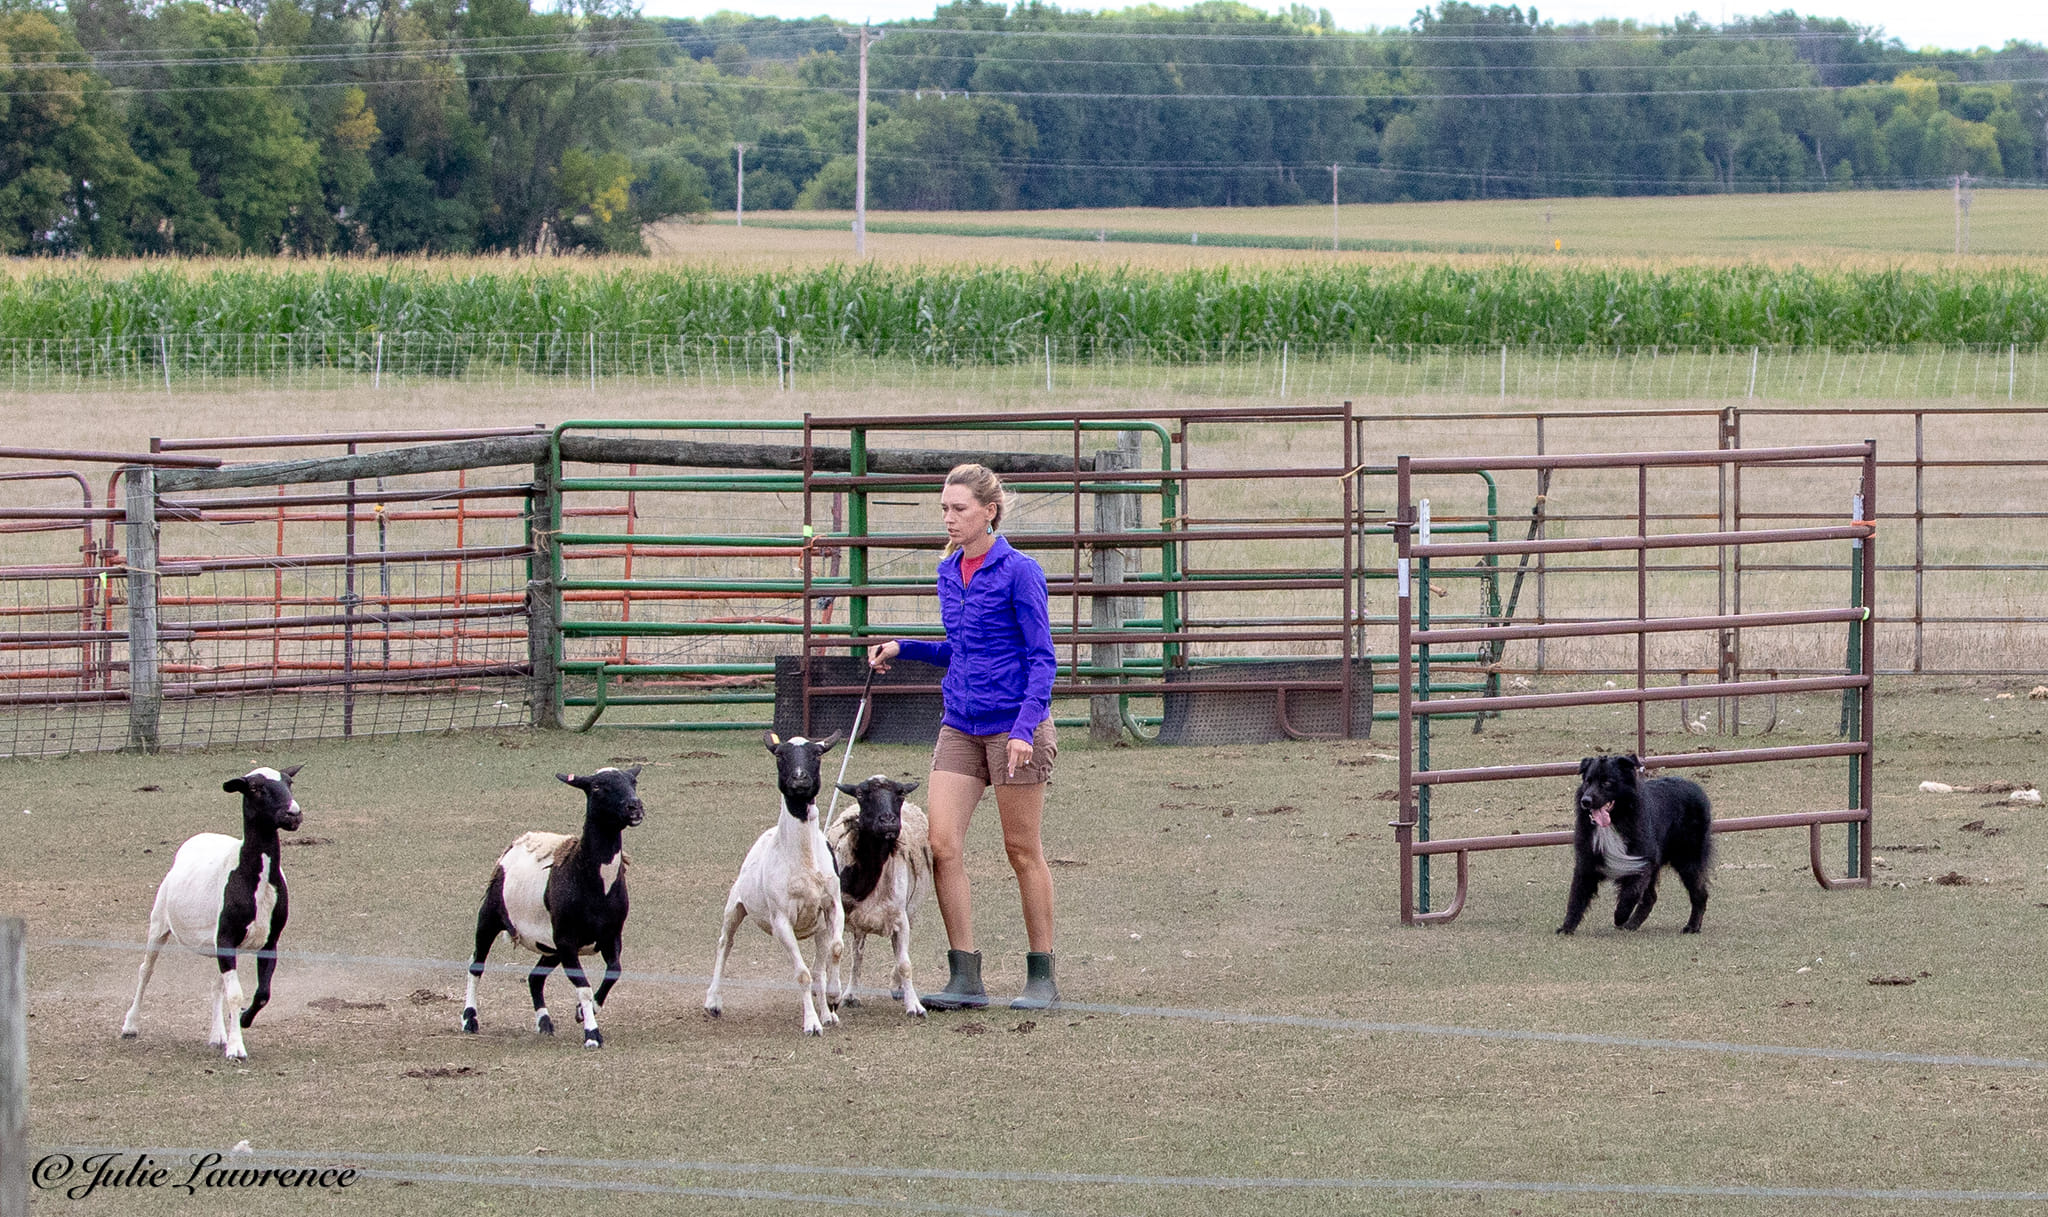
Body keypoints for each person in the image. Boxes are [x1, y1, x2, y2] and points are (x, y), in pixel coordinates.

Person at [867, 463, 1060, 1010]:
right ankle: (965, 977)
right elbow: (962, 648)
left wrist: (1024, 729)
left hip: (1016, 727)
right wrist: (904, 647)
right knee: (942, 845)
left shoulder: (1020, 571)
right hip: (960, 724)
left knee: (1021, 849)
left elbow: (1042, 658)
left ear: (989, 512)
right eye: (944, 509)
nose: (949, 519)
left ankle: (1042, 975)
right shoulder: (949, 571)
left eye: (959, 509)